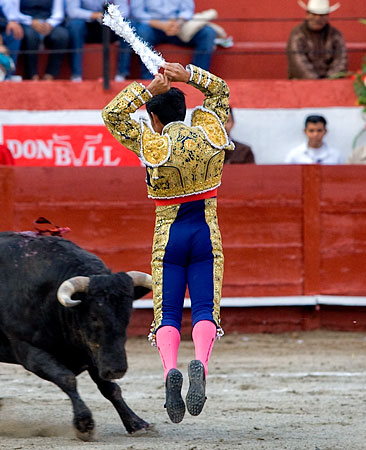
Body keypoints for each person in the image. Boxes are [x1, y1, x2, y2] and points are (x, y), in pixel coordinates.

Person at [102, 62, 234, 423]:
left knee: (169, 313)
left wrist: (149, 89)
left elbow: (111, 114)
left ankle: (168, 373)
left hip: (169, 236)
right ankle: (201, 366)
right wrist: (187, 74)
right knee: (205, 308)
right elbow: (220, 91)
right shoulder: (209, 134)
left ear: (155, 120)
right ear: (186, 112)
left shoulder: (153, 143)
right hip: (205, 232)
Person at [129, 0, 217, 79]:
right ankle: (149, 79)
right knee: (143, 32)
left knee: (207, 33)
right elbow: (138, 13)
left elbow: (187, 10)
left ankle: (198, 78)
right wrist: (162, 26)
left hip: (178, 26)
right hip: (152, 26)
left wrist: (178, 23)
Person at [3, 0, 69, 80]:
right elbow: (14, 12)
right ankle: (32, 75)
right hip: (26, 22)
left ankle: (50, 75)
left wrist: (49, 24)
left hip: (48, 23)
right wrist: (30, 21)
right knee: (30, 36)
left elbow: (58, 13)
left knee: (62, 35)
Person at [286, 0, 347, 79]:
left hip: (330, 84)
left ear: (327, 17)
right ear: (307, 15)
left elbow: (340, 61)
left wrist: (329, 80)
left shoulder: (335, 35)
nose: (317, 18)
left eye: (322, 15)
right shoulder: (297, 34)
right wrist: (316, 82)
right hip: (302, 84)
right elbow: (298, 64)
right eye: (314, 14)